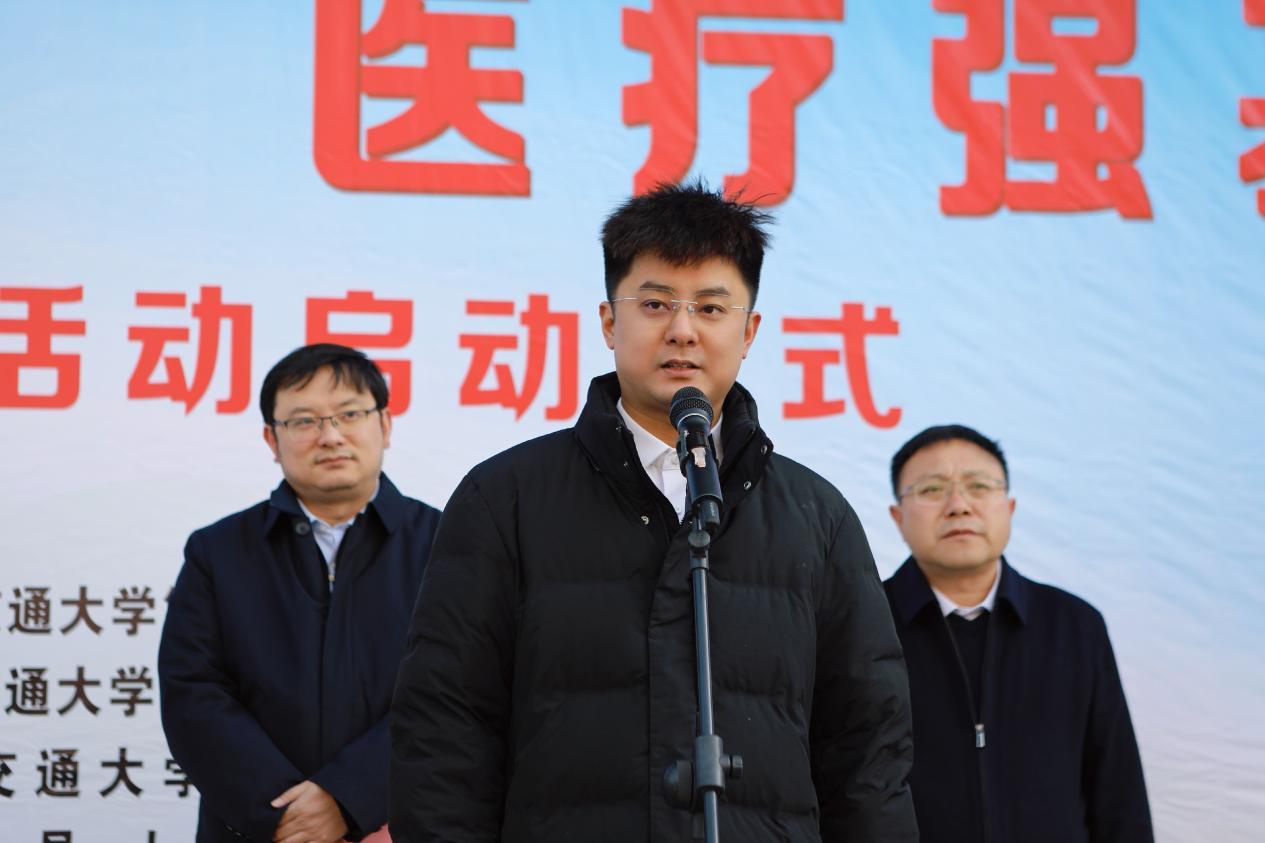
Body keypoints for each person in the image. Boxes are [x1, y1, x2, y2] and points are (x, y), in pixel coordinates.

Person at [389, 182, 918, 842]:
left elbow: (867, 750)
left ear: (749, 331)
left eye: (711, 307)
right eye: (655, 304)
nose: (682, 330)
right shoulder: (505, 499)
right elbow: (443, 728)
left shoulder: (817, 516)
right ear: (610, 322)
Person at [159, 343, 441, 843]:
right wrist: (286, 814)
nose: (330, 436)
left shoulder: (448, 545)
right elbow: (193, 694)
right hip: (257, 830)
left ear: (385, 424)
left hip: (400, 823)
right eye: (304, 421)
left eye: (349, 414)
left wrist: (349, 798)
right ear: (272, 438)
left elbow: (456, 690)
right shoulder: (217, 552)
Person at [884, 424, 1152, 842]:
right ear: (898, 518)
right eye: (932, 489)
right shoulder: (862, 625)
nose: (959, 506)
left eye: (978, 486)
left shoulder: (1074, 626)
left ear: (1008, 507)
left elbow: (1117, 790)